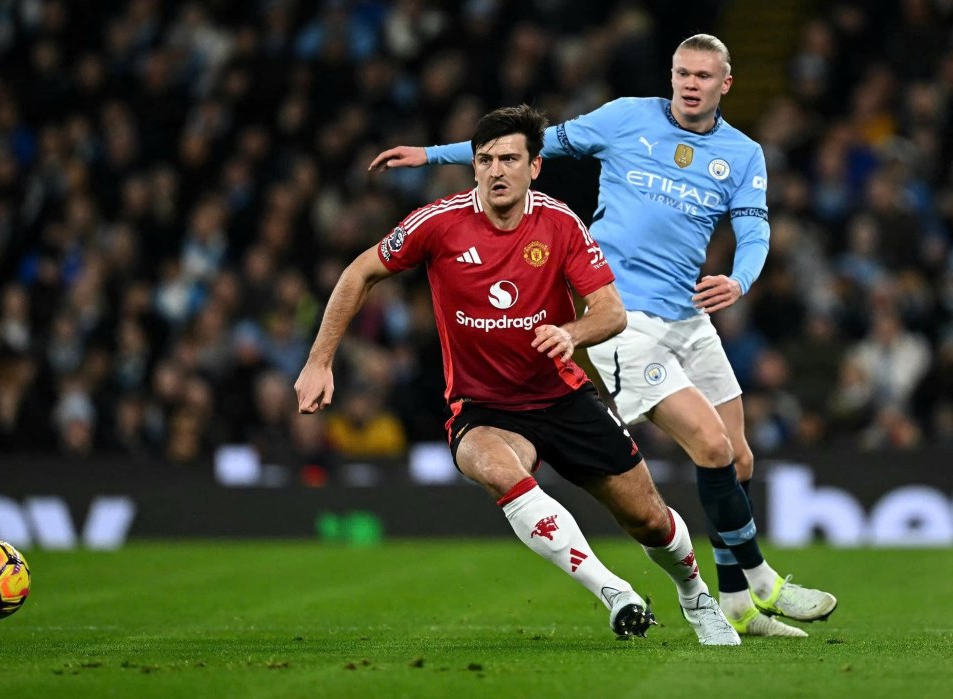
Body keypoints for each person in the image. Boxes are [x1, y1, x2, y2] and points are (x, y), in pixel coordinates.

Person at [368, 34, 837, 638]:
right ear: (671, 76)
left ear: (726, 84)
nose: (690, 84)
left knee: (738, 458)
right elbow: (529, 147)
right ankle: (762, 579)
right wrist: (432, 154)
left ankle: (738, 604)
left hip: (689, 315)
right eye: (682, 73)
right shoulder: (624, 118)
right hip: (619, 318)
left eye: (703, 76)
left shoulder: (743, 154)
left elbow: (755, 231)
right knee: (711, 446)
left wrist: (740, 280)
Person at [298, 104, 739, 645]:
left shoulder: (559, 223)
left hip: (562, 398)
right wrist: (320, 361)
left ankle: (695, 595)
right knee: (492, 464)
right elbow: (359, 271)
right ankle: (614, 592)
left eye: (510, 158)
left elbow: (611, 311)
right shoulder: (438, 223)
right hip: (483, 408)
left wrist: (572, 334)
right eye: (485, 160)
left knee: (649, 520)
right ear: (474, 167)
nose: (496, 170)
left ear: (534, 167)